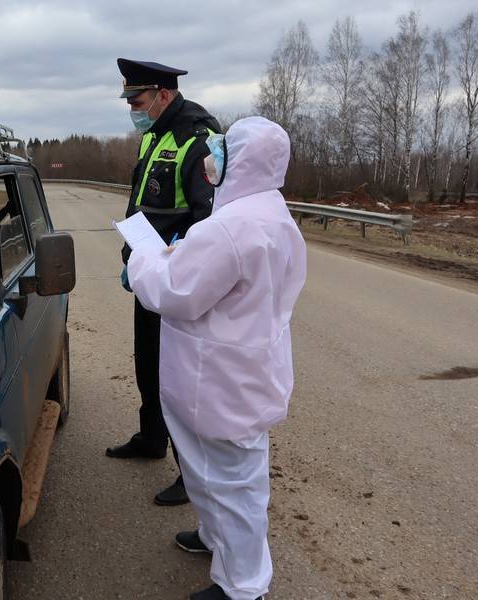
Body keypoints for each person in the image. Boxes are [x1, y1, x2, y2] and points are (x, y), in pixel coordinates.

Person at [126, 116, 307, 600]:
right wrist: (184, 254)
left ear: (244, 158)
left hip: (222, 380)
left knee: (235, 486)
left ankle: (243, 586)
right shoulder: (270, 214)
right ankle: (215, 540)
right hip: (239, 372)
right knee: (211, 472)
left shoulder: (233, 226)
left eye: (225, 148)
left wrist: (143, 260)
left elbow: (173, 290)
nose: (215, 155)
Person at [106, 58, 221, 507]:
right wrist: (133, 256)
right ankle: (151, 438)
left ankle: (190, 474)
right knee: (147, 365)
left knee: (177, 380)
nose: (132, 108)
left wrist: (173, 257)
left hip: (176, 279)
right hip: (149, 272)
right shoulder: (153, 135)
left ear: (163, 95)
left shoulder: (198, 138)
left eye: (137, 100)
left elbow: (208, 219)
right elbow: (144, 202)